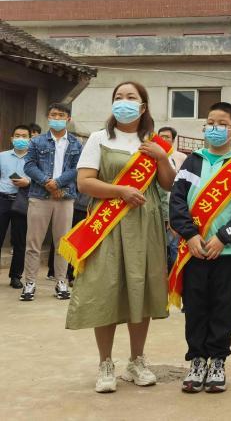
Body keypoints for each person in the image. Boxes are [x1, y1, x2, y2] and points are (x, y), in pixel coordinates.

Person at [65, 81, 175, 393]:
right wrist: (120, 190)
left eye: (130, 98)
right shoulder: (100, 138)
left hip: (144, 223)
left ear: (143, 107)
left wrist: (162, 157)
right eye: (118, 97)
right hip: (108, 225)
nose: (122, 102)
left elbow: (168, 185)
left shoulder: (153, 143)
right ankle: (106, 364)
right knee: (106, 288)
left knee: (140, 288)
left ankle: (136, 360)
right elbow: (85, 183)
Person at [169, 102, 231, 394]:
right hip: (193, 250)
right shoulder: (192, 162)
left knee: (223, 307)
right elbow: (176, 202)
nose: (215, 128)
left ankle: (217, 361)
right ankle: (197, 360)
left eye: (222, 123)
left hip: (227, 252)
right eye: (210, 123)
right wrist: (190, 236)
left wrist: (224, 238)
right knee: (196, 306)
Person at [21, 103, 82, 301]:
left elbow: (77, 169)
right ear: (48, 117)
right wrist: (47, 182)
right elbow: (29, 166)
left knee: (62, 243)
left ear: (68, 119)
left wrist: (58, 184)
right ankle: (29, 282)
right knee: (33, 242)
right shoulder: (37, 141)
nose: (56, 118)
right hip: (39, 195)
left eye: (61, 115)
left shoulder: (75, 143)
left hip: (65, 197)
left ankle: (61, 282)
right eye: (53, 115)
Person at [0, 125, 31, 289]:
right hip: (2, 199)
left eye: (24, 136)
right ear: (12, 138)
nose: (20, 139)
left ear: (29, 139)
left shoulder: (34, 159)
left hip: (23, 201)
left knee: (20, 242)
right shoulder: (2, 156)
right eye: (17, 135)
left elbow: (41, 180)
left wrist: (28, 182)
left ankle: (15, 277)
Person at [156, 126, 187, 271]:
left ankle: (175, 279)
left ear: (173, 140)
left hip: (174, 208)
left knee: (175, 246)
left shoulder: (181, 157)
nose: (163, 139)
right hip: (157, 209)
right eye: (160, 136)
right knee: (157, 246)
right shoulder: (151, 156)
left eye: (167, 137)